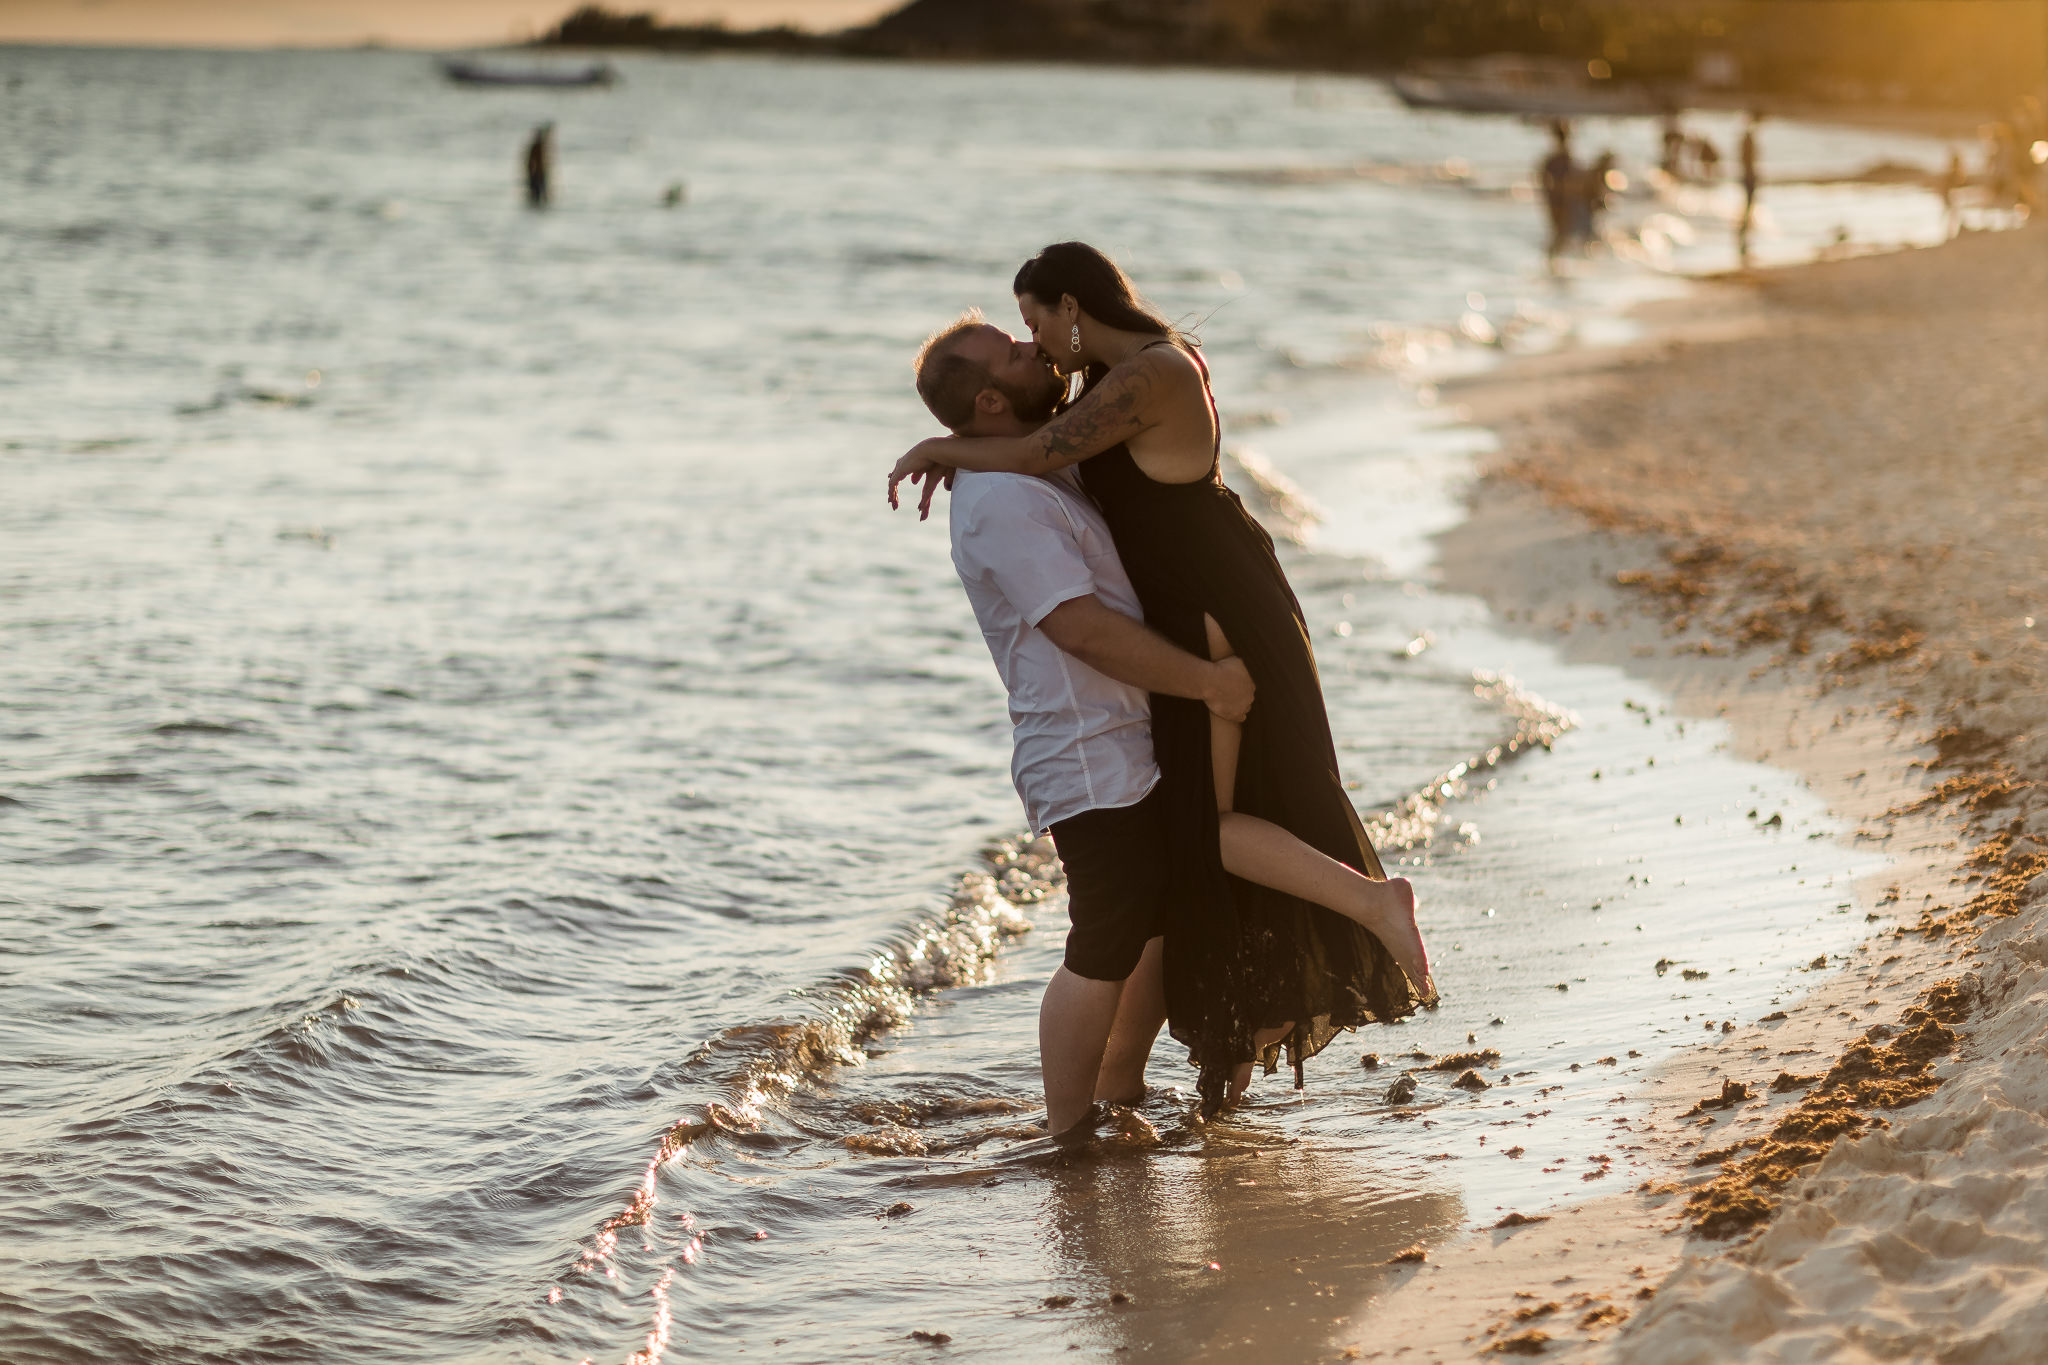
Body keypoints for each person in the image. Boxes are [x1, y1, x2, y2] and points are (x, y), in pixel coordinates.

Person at [892, 245, 1435, 1112]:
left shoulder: (1140, 380)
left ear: (1072, 306)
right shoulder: (1097, 398)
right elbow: (1032, 452)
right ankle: (1187, 1063)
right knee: (1192, 866)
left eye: (1033, 326)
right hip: (1189, 638)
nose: (1037, 348)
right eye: (1019, 344)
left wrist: (941, 443)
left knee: (1202, 839)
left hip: (1213, 623)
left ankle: (1369, 909)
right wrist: (962, 442)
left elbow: (1034, 451)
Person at [912, 313, 1258, 1134]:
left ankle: (1120, 1086)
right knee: (1107, 930)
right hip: (1083, 750)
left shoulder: (1033, 463)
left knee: (1155, 918)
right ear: (993, 398)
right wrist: (1210, 684)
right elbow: (1080, 628)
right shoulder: (1001, 501)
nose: (1037, 348)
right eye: (1016, 351)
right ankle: (1064, 1130)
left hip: (1120, 734)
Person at [1539, 120, 1577, 261]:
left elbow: (1543, 178)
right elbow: (1544, 178)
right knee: (1559, 232)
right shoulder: (1561, 159)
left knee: (1559, 232)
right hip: (1560, 199)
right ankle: (1553, 261)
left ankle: (1553, 261)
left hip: (1560, 199)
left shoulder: (1558, 158)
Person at [1738, 113, 1762, 264]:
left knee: (1748, 202)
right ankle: (1744, 227)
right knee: (1748, 202)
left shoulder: (1747, 137)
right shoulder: (1748, 138)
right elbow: (1747, 159)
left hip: (1748, 174)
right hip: (1748, 175)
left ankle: (1745, 227)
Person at [525, 123, 553, 208]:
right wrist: (532, 174)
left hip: (539, 174)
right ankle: (536, 212)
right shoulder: (537, 146)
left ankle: (536, 211)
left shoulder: (540, 146)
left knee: (539, 196)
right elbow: (530, 162)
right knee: (537, 196)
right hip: (537, 174)